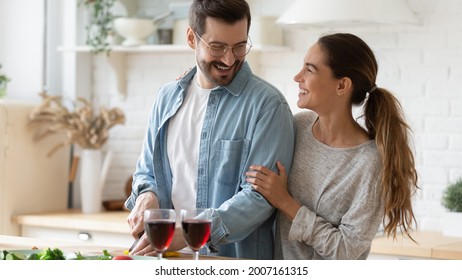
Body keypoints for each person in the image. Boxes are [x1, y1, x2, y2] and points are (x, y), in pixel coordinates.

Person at [124, 0, 295, 259]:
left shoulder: (268, 105)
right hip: (169, 259)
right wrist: (147, 196)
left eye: (239, 46)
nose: (229, 59)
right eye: (217, 47)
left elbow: (260, 198)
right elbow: (147, 170)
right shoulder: (167, 97)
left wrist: (191, 233)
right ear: (192, 38)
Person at [246, 33, 419, 260]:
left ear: (342, 85)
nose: (298, 77)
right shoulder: (297, 126)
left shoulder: (369, 163)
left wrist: (285, 202)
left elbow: (346, 251)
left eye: (310, 70)